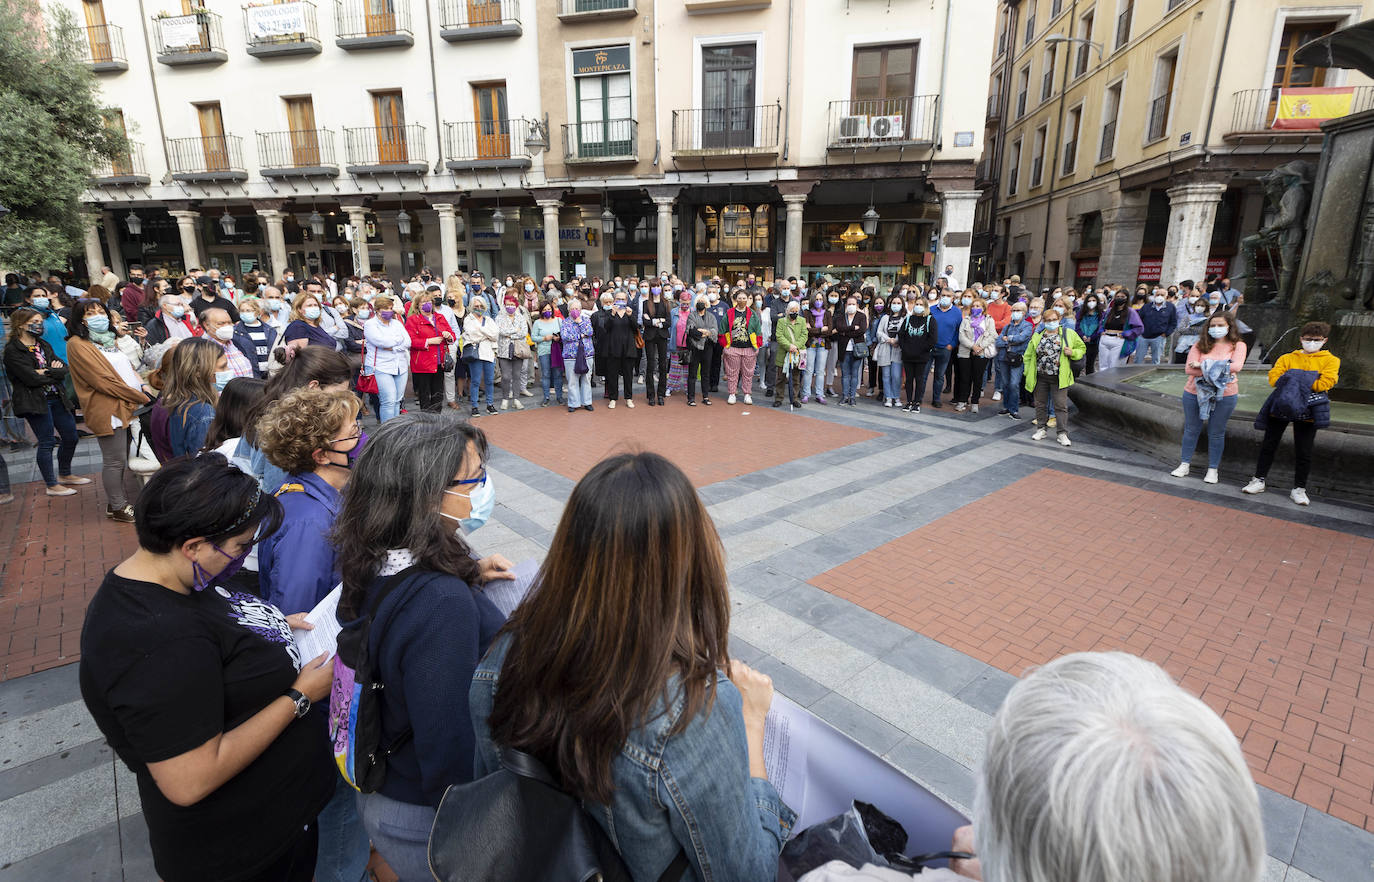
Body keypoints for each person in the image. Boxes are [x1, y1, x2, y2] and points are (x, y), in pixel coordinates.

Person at [471, 452, 794, 881]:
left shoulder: (504, 653)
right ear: (687, 564)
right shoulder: (688, 712)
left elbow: (495, 797)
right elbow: (748, 874)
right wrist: (752, 722)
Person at [78, 454, 336, 882]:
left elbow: (217, 627)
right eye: (240, 547)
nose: (244, 557)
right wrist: (300, 696)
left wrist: (270, 625)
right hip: (242, 850)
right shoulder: (152, 639)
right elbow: (189, 779)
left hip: (280, 816)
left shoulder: (174, 576)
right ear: (192, 545)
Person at [332, 414, 512, 881]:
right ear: (426, 495)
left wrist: (470, 574)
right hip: (425, 814)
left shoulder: (374, 550)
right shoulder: (439, 602)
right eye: (473, 478)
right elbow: (449, 744)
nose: (480, 489)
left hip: (390, 783)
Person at [65, 300, 156, 522]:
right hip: (108, 408)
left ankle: (115, 501)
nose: (98, 316)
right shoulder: (78, 344)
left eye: (101, 312)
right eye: (90, 313)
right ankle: (118, 506)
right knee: (114, 460)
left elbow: (126, 368)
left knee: (122, 457)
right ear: (80, 319)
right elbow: (102, 381)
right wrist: (141, 397)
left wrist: (142, 388)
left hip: (127, 405)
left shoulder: (107, 340)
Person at [1243, 322, 1340, 506]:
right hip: (1283, 404)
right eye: (1308, 339)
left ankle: (1299, 488)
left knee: (1304, 450)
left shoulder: (1331, 360)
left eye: (1316, 340)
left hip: (1309, 408)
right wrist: (1310, 377)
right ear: (1301, 338)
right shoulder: (1287, 357)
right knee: (1269, 444)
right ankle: (1258, 479)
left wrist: (1293, 377)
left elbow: (1325, 383)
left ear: (1324, 340)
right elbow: (1274, 379)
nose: (1311, 342)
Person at [242, 347, 355, 493]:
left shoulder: (276, 411)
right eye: (339, 394)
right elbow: (278, 491)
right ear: (314, 386)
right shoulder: (284, 430)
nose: (342, 401)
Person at [4, 307, 89, 496]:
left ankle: (65, 474)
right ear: (20, 324)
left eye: (40, 322)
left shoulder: (43, 344)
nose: (39, 325)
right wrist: (51, 372)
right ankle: (51, 484)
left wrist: (46, 372)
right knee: (47, 441)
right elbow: (30, 379)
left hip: (56, 396)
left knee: (71, 437)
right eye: (34, 322)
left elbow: (63, 369)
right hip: (34, 401)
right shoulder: (13, 350)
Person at [1170, 313, 1247, 485]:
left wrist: (1203, 365)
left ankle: (1213, 469)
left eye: (1220, 325)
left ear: (1229, 326)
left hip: (1225, 394)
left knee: (1216, 432)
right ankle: (1184, 464)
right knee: (1191, 429)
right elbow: (1189, 370)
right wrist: (1220, 367)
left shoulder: (1238, 345)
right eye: (1213, 325)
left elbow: (1236, 366)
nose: (1216, 329)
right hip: (1193, 392)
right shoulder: (1200, 344)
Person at [1023, 307, 1086, 448]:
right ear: (1044, 321)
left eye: (1054, 320)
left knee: (1060, 405)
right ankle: (1041, 429)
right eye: (1048, 320)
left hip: (1059, 377)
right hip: (1040, 376)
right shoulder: (1038, 335)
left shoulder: (1068, 333)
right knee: (1040, 404)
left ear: (1059, 320)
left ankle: (1062, 433)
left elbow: (1082, 348)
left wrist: (1073, 352)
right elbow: (1028, 355)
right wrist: (1027, 371)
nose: (1051, 322)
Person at [158, 337, 227, 458]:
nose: (228, 371)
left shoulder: (172, 400)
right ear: (198, 372)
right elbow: (206, 464)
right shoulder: (203, 412)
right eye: (222, 367)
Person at [405, 290, 454, 414]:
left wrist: (448, 336)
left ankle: (437, 417)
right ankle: (426, 419)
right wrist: (429, 341)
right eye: (423, 302)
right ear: (417, 305)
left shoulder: (440, 317)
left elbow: (451, 333)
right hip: (423, 362)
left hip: (439, 361)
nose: (426, 304)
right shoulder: (413, 320)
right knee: (424, 394)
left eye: (428, 302)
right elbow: (410, 341)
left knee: (438, 393)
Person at [361, 294, 409, 423]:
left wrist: (393, 346)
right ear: (377, 310)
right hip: (381, 367)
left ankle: (395, 428)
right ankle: (387, 431)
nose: (389, 311)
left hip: (401, 366)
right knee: (388, 400)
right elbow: (382, 342)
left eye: (390, 308)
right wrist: (397, 341)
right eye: (385, 308)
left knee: (397, 400)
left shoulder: (397, 323)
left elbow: (407, 342)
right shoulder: (370, 324)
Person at [955, 297, 996, 413]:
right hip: (966, 352)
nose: (975, 308)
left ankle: (975, 401)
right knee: (964, 378)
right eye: (974, 306)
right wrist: (972, 346)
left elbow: (992, 335)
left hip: (981, 352)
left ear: (983, 308)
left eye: (978, 306)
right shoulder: (966, 320)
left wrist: (980, 347)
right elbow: (961, 336)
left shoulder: (988, 320)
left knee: (977, 378)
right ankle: (962, 400)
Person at [994, 302, 1033, 421]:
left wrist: (1008, 339)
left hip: (1017, 358)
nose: (1014, 313)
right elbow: (998, 342)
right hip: (1004, 357)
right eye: (1013, 310)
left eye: (1018, 310)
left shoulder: (1027, 326)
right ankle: (1006, 406)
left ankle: (1014, 409)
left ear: (1024, 313)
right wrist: (1010, 341)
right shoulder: (1007, 327)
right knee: (1005, 383)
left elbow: (1022, 338)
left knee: (1014, 384)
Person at [462, 296, 499, 416]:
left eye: (481, 306)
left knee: (489, 380)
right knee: (475, 381)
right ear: (472, 307)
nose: (479, 308)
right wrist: (486, 333)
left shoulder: (489, 320)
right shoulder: (468, 319)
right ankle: (474, 406)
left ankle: (490, 404)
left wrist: (481, 330)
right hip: (476, 354)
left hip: (489, 353)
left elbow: (495, 335)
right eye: (476, 306)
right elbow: (472, 336)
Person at [494, 292, 530, 411]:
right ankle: (505, 399)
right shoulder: (499, 317)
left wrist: (510, 334)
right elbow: (500, 331)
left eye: (512, 304)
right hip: (504, 350)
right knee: (505, 376)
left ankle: (516, 399)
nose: (510, 307)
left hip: (518, 350)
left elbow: (523, 333)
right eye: (507, 304)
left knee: (516, 375)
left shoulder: (521, 317)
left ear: (516, 305)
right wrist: (515, 330)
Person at [928, 290, 962, 408]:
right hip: (930, 348)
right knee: (923, 374)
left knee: (939, 375)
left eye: (948, 296)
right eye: (943, 295)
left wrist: (952, 344)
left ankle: (936, 399)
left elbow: (958, 331)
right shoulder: (931, 310)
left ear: (953, 298)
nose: (945, 298)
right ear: (939, 296)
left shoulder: (957, 312)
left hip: (945, 349)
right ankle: (918, 397)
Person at [685, 294, 720, 407]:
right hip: (694, 347)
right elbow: (691, 330)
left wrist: (703, 331)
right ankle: (691, 398)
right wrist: (705, 332)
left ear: (706, 304)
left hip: (708, 347)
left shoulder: (711, 317)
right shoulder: (692, 315)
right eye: (699, 301)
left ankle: (705, 396)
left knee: (706, 373)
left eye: (703, 301)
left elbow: (715, 331)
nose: (701, 303)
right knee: (692, 374)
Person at [833, 295, 868, 407]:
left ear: (857, 305)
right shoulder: (840, 317)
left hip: (857, 349)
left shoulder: (862, 316)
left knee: (854, 374)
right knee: (845, 374)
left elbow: (861, 330)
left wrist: (845, 332)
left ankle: (852, 397)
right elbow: (839, 328)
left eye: (853, 304)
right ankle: (845, 396)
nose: (851, 306)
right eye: (849, 304)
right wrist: (853, 328)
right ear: (845, 305)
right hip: (844, 349)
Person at [773, 298, 808, 408]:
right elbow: (779, 336)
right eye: (792, 310)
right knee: (781, 378)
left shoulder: (802, 321)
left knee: (796, 378)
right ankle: (779, 398)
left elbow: (804, 335)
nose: (794, 313)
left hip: (797, 353)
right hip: (784, 353)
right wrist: (789, 346)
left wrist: (796, 346)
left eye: (796, 311)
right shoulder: (781, 321)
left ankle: (795, 398)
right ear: (787, 311)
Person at [871, 294, 904, 408]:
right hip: (885, 347)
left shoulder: (905, 317)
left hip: (898, 349)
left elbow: (905, 333)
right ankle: (888, 397)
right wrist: (888, 339)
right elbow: (879, 332)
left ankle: (896, 396)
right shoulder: (885, 317)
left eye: (898, 303)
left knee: (896, 375)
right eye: (894, 303)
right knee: (885, 375)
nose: (896, 305)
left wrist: (897, 341)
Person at [801, 291, 833, 404]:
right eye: (816, 299)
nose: (818, 301)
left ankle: (819, 394)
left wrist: (814, 330)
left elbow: (829, 331)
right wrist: (820, 330)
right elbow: (806, 331)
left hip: (823, 345)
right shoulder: (807, 313)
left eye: (820, 299)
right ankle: (806, 394)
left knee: (820, 371)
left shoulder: (828, 313)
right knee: (808, 370)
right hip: (810, 345)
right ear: (812, 300)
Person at [231, 298, 277, 378]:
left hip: (269, 374)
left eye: (248, 311)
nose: (245, 313)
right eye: (242, 311)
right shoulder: (235, 332)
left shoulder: (270, 330)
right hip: (250, 374)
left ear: (257, 312)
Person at [1097, 291, 1142, 371]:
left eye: (1122, 297)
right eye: (1117, 296)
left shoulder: (1130, 311)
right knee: (1103, 366)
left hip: (1119, 340)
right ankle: (1102, 382)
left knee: (1115, 366)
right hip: (1105, 338)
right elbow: (1102, 323)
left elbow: (1139, 328)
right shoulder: (1109, 311)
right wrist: (1101, 331)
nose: (1119, 298)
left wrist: (1126, 334)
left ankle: (1112, 383)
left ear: (1127, 298)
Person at [642, 284, 671, 406]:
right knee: (650, 364)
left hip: (662, 336)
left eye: (658, 286)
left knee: (663, 365)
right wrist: (660, 320)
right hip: (650, 336)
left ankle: (660, 394)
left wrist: (654, 321)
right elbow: (645, 321)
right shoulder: (646, 303)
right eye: (653, 286)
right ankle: (650, 395)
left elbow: (668, 322)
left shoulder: (666, 302)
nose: (656, 288)